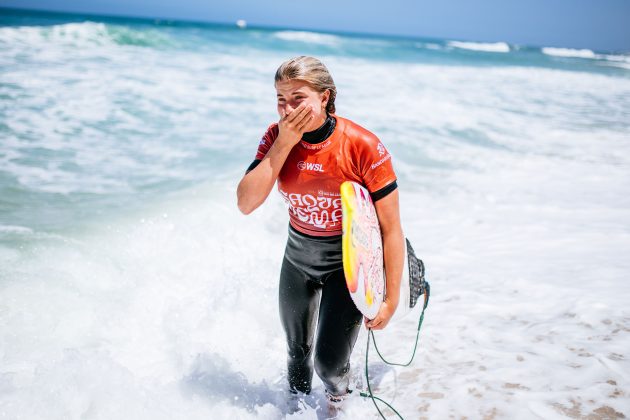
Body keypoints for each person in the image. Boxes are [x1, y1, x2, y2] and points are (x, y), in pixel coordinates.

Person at [236, 56, 404, 404]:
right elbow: (246, 203)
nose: (287, 108)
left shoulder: (362, 146)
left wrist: (389, 299)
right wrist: (284, 142)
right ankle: (292, 411)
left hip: (348, 265)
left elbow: (390, 229)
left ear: (325, 97)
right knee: (297, 357)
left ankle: (337, 406)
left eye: (298, 98)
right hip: (298, 258)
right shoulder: (276, 136)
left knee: (328, 367)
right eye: (281, 99)